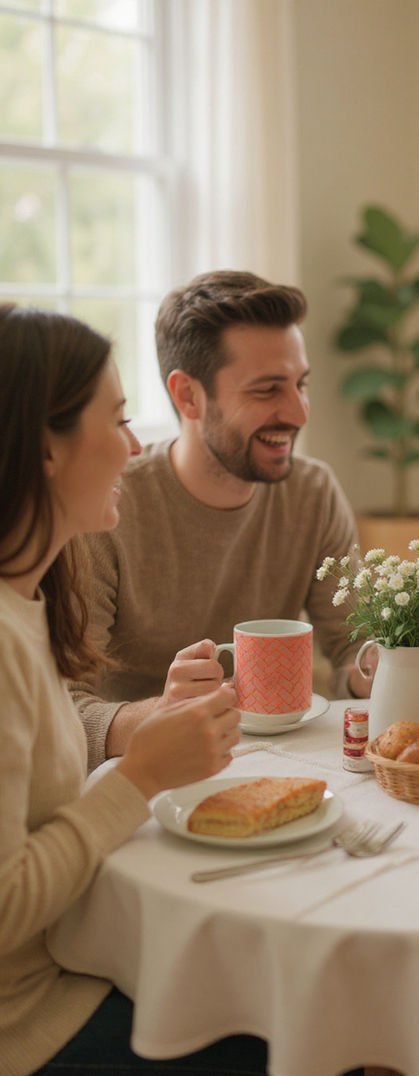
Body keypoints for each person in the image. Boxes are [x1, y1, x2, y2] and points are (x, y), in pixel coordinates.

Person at [0, 304, 269, 1075]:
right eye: (116, 421)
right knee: (316, 1033)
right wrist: (144, 772)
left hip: (66, 965)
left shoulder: (34, 597)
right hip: (30, 1023)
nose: (133, 446)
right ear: (45, 449)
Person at [70, 271, 369, 772]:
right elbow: (61, 711)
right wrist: (160, 717)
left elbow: (352, 648)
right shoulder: (108, 509)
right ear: (188, 396)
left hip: (287, 764)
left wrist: (377, 668)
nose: (298, 412)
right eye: (268, 389)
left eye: (300, 384)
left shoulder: (313, 492)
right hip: (145, 782)